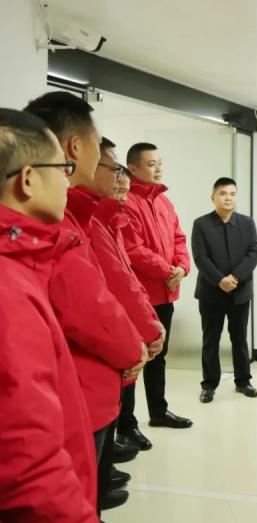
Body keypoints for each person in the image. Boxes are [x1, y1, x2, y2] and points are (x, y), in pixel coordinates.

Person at [25, 92, 148, 513]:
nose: (107, 166)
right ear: (75, 147)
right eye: (100, 148)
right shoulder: (57, 223)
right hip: (80, 382)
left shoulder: (77, 215)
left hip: (88, 381)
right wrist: (133, 346)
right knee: (77, 495)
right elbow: (90, 304)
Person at [0, 108, 97, 522]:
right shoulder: (8, 289)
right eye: (62, 169)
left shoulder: (22, 265)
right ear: (27, 179)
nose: (68, 182)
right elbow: (28, 469)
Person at [87, 137, 166, 510]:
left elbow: (126, 276)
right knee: (96, 422)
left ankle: (102, 482)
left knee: (106, 416)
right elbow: (112, 285)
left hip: (135, 319)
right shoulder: (90, 222)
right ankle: (96, 491)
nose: (120, 179)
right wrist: (142, 335)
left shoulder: (111, 218)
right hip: (112, 335)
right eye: (113, 169)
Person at [119, 142, 193, 450]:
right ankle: (126, 425)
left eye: (159, 162)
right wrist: (166, 269)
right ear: (133, 168)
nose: (158, 168)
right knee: (134, 358)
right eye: (151, 164)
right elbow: (133, 249)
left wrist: (182, 267)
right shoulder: (126, 202)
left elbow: (179, 237)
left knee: (158, 357)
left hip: (166, 293)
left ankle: (159, 411)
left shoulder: (164, 201)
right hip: (139, 296)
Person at [191, 177, 257, 403]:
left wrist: (235, 277)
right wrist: (220, 280)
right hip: (211, 293)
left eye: (232, 193)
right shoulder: (201, 224)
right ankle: (209, 385)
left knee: (239, 339)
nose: (228, 198)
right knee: (210, 340)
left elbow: (254, 252)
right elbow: (200, 257)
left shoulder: (247, 223)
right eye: (222, 193)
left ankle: (243, 381)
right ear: (213, 197)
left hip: (240, 292)